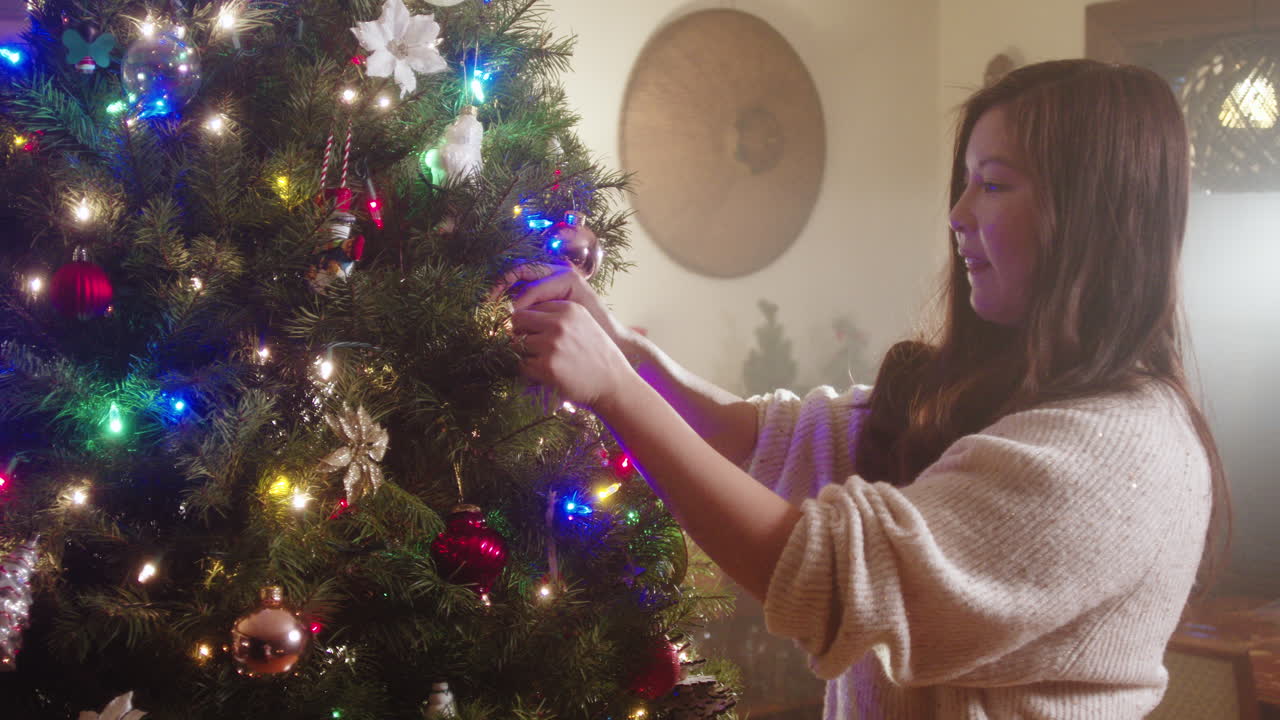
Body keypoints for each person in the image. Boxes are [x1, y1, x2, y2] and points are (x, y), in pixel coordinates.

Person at [494, 59, 1228, 719]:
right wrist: (621, 347)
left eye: (995, 184)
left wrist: (618, 390)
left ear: (1095, 219)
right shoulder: (994, 394)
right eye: (965, 181)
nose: (959, 214)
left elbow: (824, 576)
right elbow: (753, 436)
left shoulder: (1118, 449)